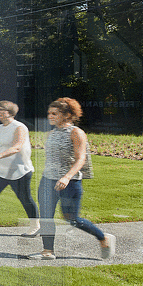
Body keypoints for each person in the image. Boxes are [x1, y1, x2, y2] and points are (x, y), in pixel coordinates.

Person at [27, 97, 116, 260]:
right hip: (48, 180)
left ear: (67, 115)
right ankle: (48, 251)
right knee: (46, 216)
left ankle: (103, 238)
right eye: (49, 113)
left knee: (72, 219)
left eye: (54, 113)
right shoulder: (51, 134)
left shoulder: (76, 133)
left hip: (70, 182)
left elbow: (80, 158)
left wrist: (67, 177)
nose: (50, 116)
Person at [0, 101, 39, 236]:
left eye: (1, 109)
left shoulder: (19, 127)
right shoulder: (0, 127)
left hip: (19, 171)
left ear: (10, 112)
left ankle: (35, 226)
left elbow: (17, 147)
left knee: (25, 199)